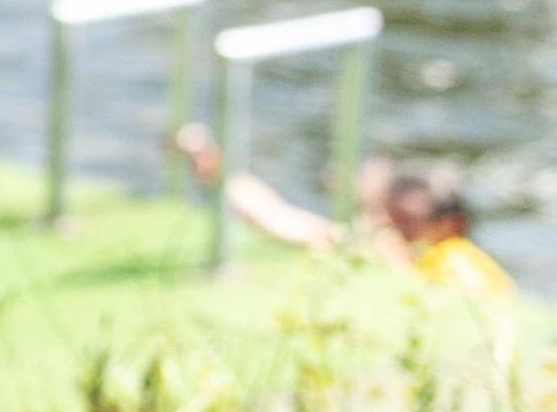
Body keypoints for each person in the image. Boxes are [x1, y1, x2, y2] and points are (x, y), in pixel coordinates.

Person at [170, 124, 513, 303]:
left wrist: (369, 207)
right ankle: (216, 168)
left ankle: (215, 168)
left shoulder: (451, 261)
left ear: (451, 223)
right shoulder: (419, 251)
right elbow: (283, 220)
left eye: (406, 218)